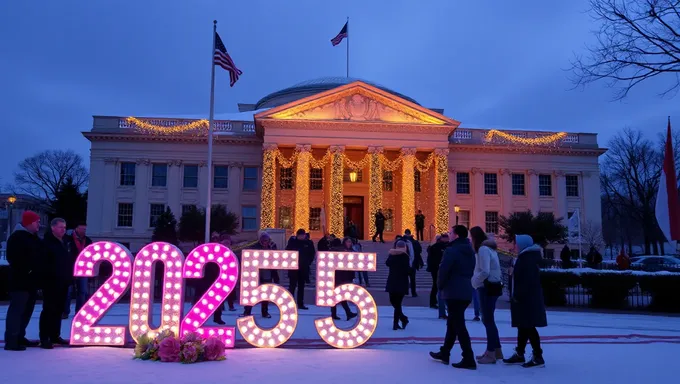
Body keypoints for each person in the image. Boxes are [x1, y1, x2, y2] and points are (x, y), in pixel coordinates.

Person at [430, 225, 476, 370]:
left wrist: (440, 286)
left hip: (454, 290)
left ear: (456, 235)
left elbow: (443, 270)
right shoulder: (470, 250)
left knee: (459, 326)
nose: (449, 234)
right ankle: (445, 352)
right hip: (465, 289)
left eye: (451, 232)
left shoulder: (451, 250)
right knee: (453, 323)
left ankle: (468, 357)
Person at [503, 235, 548, 368]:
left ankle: (538, 356)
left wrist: (518, 295)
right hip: (525, 298)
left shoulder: (526, 259)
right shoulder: (525, 257)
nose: (514, 246)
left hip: (526, 299)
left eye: (516, 244)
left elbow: (526, 281)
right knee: (523, 326)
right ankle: (520, 353)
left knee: (528, 326)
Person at [4, 211, 43, 351]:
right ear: (30, 223)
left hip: (30, 281)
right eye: (37, 221)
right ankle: (12, 339)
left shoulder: (32, 238)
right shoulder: (17, 238)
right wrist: (29, 270)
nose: (39, 224)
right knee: (17, 310)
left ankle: (19, 336)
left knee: (26, 310)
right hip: (20, 281)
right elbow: (14, 258)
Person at [470, 226, 503, 364]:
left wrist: (474, 281)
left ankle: (491, 353)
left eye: (471, 237)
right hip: (491, 287)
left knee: (487, 320)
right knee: (489, 320)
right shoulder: (489, 248)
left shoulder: (483, 250)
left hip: (486, 287)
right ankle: (496, 350)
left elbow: (485, 271)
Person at [40, 218, 72, 348]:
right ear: (53, 227)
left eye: (64, 227)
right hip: (51, 281)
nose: (63, 230)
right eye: (60, 227)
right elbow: (43, 263)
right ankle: (45, 337)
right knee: (49, 310)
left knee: (59, 309)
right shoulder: (47, 243)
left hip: (63, 281)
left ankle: (55, 335)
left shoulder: (64, 242)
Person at [241, 232, 279, 318]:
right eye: (264, 240)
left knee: (265, 293)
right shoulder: (255, 246)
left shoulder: (272, 246)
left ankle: (265, 312)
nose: (265, 242)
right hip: (255, 271)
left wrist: (275, 274)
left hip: (267, 271)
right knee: (251, 292)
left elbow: (275, 259)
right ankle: (247, 311)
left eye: (267, 240)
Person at [63, 222, 93, 319]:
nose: (83, 231)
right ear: (76, 228)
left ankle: (79, 312)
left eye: (85, 229)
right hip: (70, 268)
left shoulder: (87, 240)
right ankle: (65, 311)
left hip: (82, 269)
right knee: (68, 292)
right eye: (82, 229)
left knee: (82, 291)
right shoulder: (68, 239)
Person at [330, 238, 358, 321]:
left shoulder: (351, 250)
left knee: (339, 296)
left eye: (351, 241)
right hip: (339, 276)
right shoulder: (341, 250)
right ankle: (346, 313)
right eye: (348, 241)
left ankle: (339, 313)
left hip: (346, 275)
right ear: (344, 242)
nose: (350, 243)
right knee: (339, 295)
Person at [286, 229, 314, 310]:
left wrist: (307, 262)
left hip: (303, 268)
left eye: (303, 235)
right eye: (300, 235)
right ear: (297, 235)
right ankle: (289, 303)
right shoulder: (292, 242)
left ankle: (300, 303)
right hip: (293, 268)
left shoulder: (308, 243)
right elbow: (288, 251)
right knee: (292, 286)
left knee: (301, 287)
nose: (302, 236)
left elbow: (312, 254)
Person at [386, 240, 410, 330]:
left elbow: (406, 269)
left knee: (397, 303)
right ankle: (403, 318)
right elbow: (387, 263)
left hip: (399, 281)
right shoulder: (392, 255)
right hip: (395, 281)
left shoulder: (405, 256)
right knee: (394, 302)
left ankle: (395, 324)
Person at [427, 233, 450, 318]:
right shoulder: (438, 247)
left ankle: (434, 302)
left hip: (436, 268)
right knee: (437, 286)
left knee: (436, 286)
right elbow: (432, 258)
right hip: (437, 268)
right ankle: (435, 303)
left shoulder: (439, 246)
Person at [399, 229, 423, 297]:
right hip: (411, 263)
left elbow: (419, 252)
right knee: (412, 279)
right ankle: (413, 292)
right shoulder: (414, 242)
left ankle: (406, 292)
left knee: (406, 278)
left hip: (408, 263)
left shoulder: (402, 241)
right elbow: (419, 252)